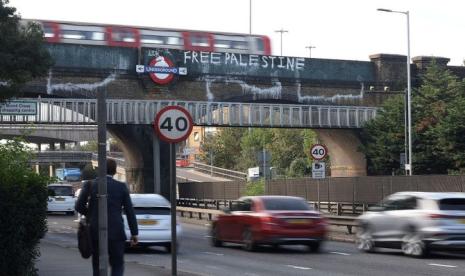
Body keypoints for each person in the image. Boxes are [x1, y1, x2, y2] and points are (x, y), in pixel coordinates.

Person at [75, 159, 138, 276]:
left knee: (97, 264)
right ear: (114, 172)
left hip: (95, 232)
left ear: (100, 170)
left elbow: (78, 206)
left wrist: (91, 214)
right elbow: (130, 211)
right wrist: (134, 233)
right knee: (117, 264)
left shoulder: (90, 185)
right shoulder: (121, 187)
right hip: (116, 232)